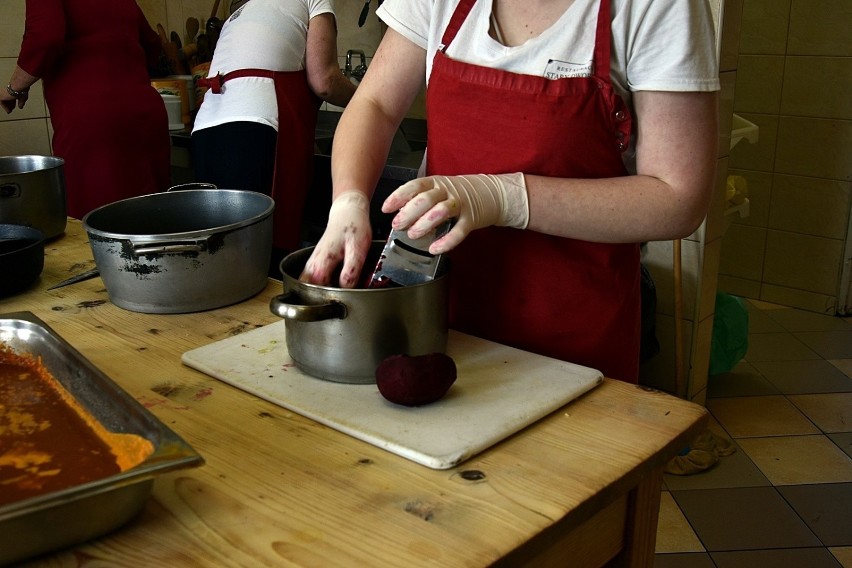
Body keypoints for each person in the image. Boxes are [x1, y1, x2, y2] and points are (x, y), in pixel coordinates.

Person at [299, 0, 720, 384]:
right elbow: (375, 104)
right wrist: (349, 198)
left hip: (572, 340)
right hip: (435, 316)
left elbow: (678, 198)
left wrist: (505, 198)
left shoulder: (658, 6)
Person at [191, 0, 357, 269]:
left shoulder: (245, 9)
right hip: (256, 130)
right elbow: (325, 82)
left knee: (221, 257)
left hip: (206, 133)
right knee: (265, 259)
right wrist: (369, 99)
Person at [1, 0, 171, 220]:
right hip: (145, 117)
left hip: (93, 121)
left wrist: (14, 88)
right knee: (155, 224)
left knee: (95, 229)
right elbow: (152, 44)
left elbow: (45, 37)